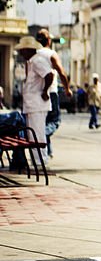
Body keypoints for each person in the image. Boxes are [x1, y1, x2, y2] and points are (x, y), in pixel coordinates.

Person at [15, 36, 53, 168]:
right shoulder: (31, 62)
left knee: (37, 134)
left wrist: (44, 91)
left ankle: (41, 161)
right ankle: (36, 161)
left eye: (22, 50)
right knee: (32, 134)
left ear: (28, 49)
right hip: (31, 104)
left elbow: (49, 75)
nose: (20, 53)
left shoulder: (38, 61)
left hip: (37, 103)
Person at [35, 29, 69, 158]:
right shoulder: (51, 54)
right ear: (49, 41)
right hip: (51, 92)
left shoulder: (34, 54)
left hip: (37, 93)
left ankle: (48, 151)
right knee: (54, 121)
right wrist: (67, 89)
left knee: (44, 121)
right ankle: (41, 137)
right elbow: (61, 72)